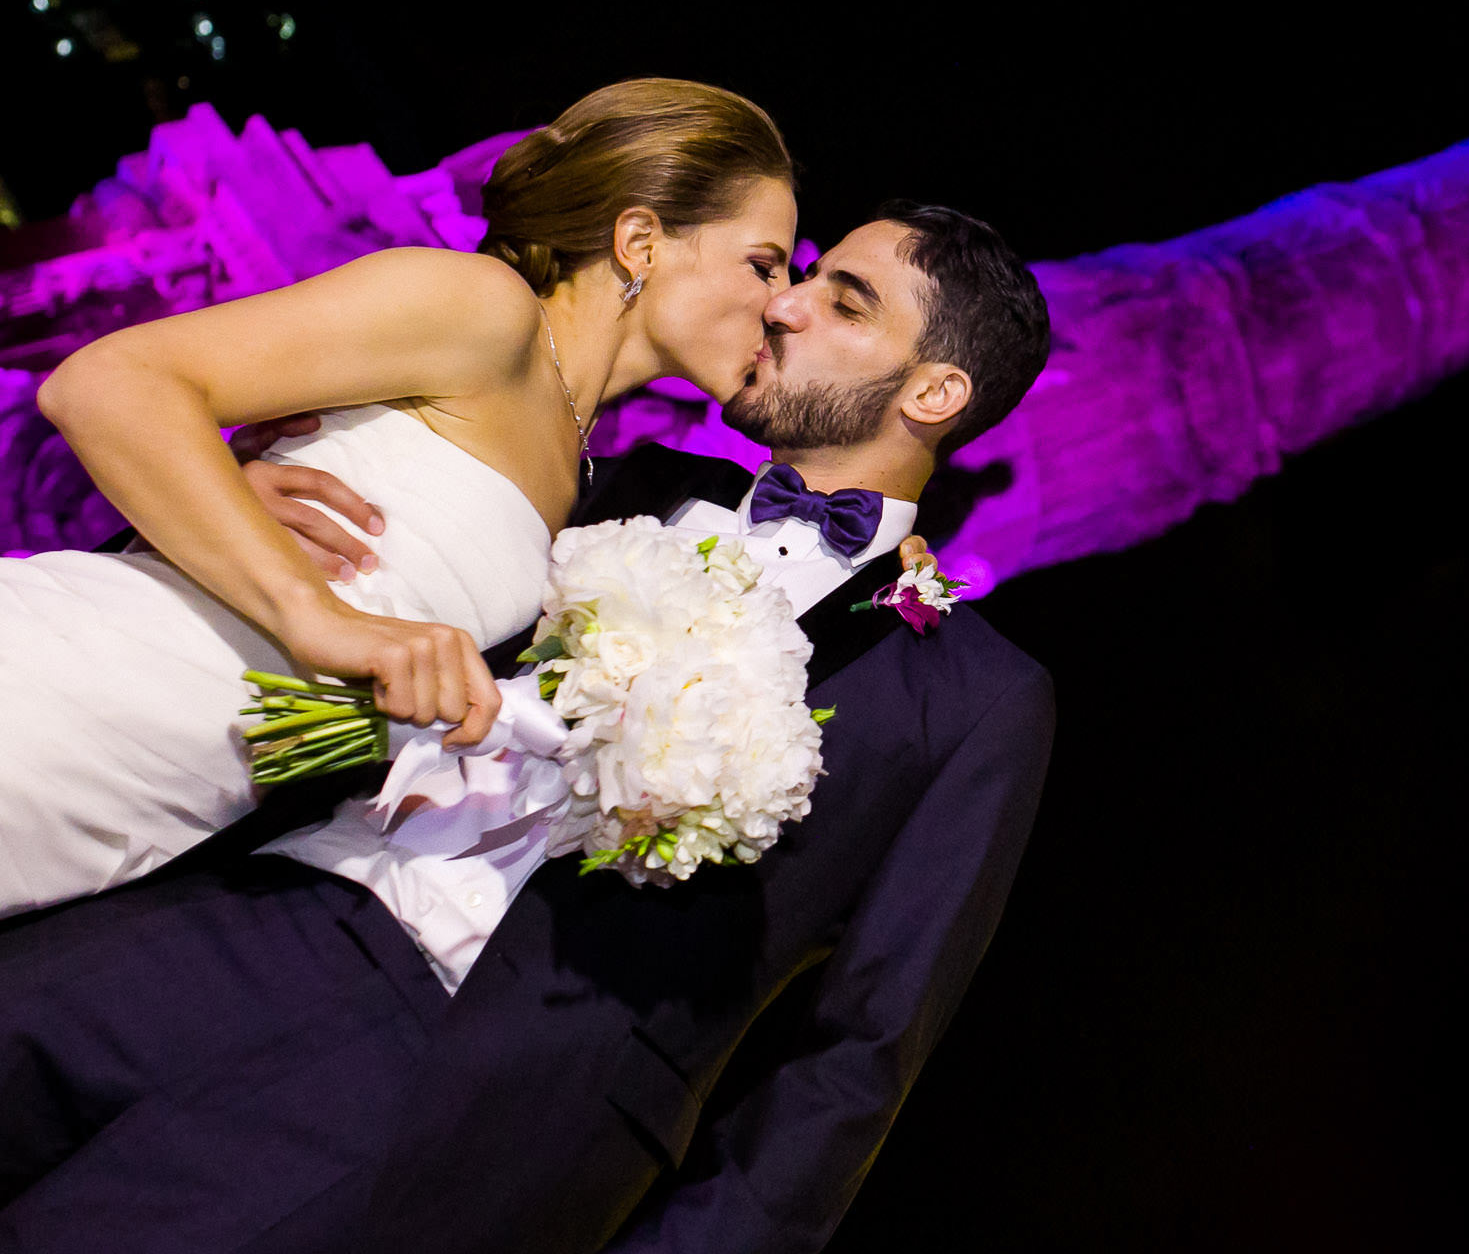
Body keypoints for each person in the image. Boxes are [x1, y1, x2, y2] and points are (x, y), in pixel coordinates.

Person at [0, 204, 1056, 1254]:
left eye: (844, 302)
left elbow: (860, 1052)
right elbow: (401, 547)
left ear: (933, 391)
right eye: (804, 276)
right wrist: (233, 493)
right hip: (243, 905)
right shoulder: (615, 481)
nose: (784, 306)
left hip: (455, 1092)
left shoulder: (972, 696)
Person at [0, 76, 915, 918]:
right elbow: (108, 384)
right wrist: (314, 613)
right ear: (640, 242)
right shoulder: (486, 307)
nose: (782, 304)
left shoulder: (576, 469)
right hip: (75, 700)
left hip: (148, 815)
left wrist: (891, 552)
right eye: (764, 264)